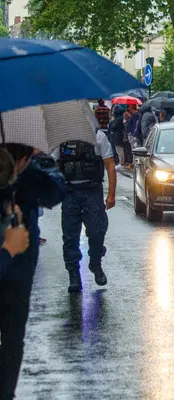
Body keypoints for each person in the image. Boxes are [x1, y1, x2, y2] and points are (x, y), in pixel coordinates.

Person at [0, 144, 66, 398]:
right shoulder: (24, 171)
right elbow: (54, 192)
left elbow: (55, 193)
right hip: (13, 262)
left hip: (18, 272)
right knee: (13, 340)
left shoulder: (27, 173)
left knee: (13, 339)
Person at [56, 131, 117, 293]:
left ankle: (95, 263)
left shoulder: (98, 137)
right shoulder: (62, 139)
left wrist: (111, 194)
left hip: (92, 191)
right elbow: (54, 164)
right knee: (70, 236)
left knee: (97, 231)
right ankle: (74, 275)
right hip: (69, 193)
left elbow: (110, 164)